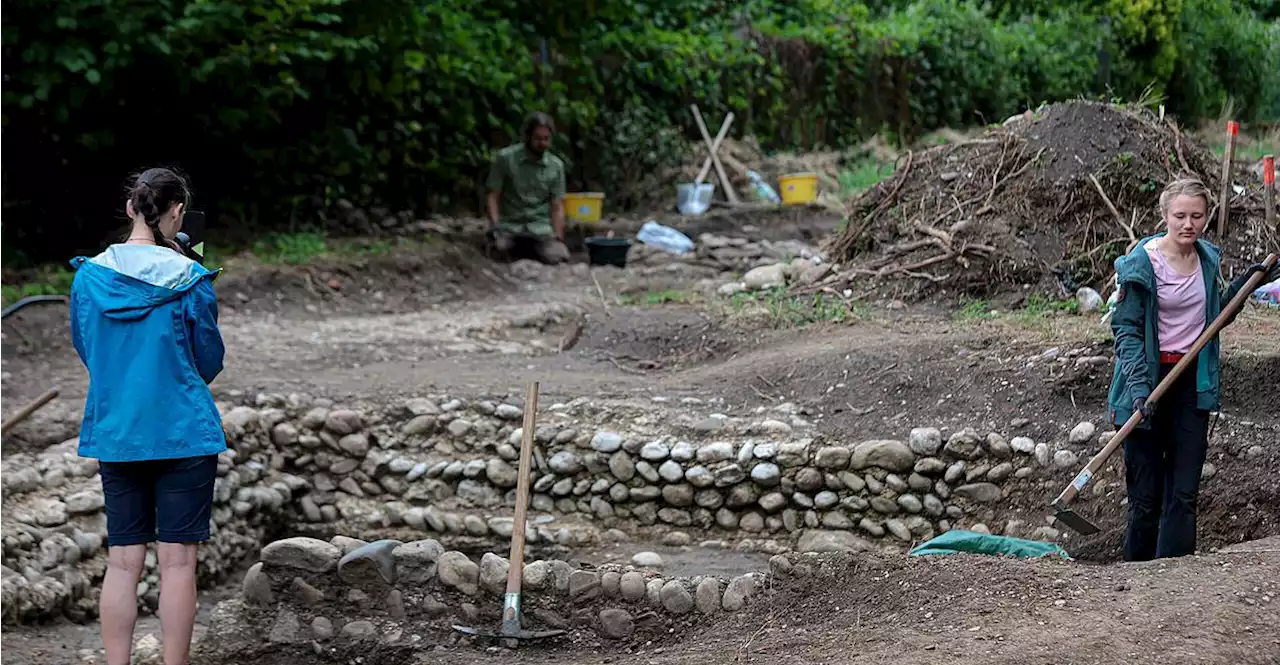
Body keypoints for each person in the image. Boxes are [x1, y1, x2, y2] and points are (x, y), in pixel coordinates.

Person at [68, 167, 226, 665]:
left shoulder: (89, 278)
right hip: (183, 434)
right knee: (178, 564)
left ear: (132, 209)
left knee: (121, 563)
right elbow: (208, 361)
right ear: (178, 213)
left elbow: (87, 347)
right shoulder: (191, 280)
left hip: (118, 432)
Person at [1108, 175, 1278, 561]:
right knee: (1146, 499)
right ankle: (1134, 582)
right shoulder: (1139, 265)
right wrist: (1138, 391)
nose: (1189, 224)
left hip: (1190, 383)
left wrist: (1246, 285)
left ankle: (1176, 582)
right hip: (1146, 383)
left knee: (1183, 495)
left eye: (1197, 216)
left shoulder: (1206, 259)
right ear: (1165, 215)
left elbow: (1214, 315)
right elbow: (1127, 331)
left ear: (1206, 217)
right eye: (1181, 215)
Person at [485, 111, 571, 264]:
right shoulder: (505, 158)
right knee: (499, 251)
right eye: (538, 138)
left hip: (540, 229)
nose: (542, 143)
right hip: (510, 227)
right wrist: (495, 227)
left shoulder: (556, 166)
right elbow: (493, 195)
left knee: (558, 256)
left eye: (546, 139)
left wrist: (558, 237)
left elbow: (557, 205)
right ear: (527, 137)